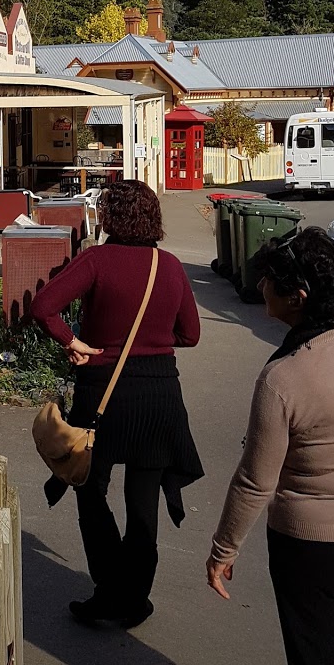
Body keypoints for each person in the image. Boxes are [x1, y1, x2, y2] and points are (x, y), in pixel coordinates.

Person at [207, 228, 334, 665]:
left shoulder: (285, 378)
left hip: (310, 548)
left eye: (271, 282)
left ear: (301, 295)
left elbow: (255, 482)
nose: (261, 287)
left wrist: (222, 549)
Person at [30, 179, 202, 627]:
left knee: (89, 489)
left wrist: (75, 341)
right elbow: (191, 335)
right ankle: (134, 597)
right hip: (159, 395)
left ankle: (109, 591)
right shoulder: (170, 266)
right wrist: (152, 340)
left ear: (109, 217)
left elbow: (43, 306)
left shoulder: (97, 260)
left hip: (102, 391)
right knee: (144, 504)